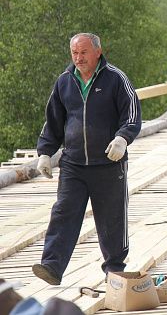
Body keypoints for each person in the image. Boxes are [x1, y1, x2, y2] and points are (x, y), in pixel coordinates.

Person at [33, 33, 141, 286]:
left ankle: (114, 270)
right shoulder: (64, 82)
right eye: (74, 53)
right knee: (63, 212)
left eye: (83, 52)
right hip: (73, 164)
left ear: (97, 52)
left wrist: (123, 138)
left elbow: (132, 114)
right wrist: (45, 153)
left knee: (111, 218)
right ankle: (52, 266)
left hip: (108, 163)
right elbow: (54, 121)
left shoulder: (116, 78)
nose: (78, 58)